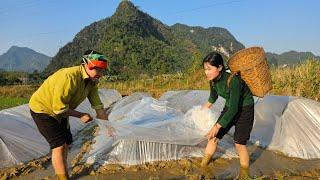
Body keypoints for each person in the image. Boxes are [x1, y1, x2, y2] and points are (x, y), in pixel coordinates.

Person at [29, 50, 111, 180]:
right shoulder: (69, 77)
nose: (100, 74)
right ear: (86, 65)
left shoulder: (92, 81)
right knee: (59, 145)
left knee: (67, 142)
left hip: (62, 111)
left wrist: (108, 127)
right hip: (43, 109)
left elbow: (98, 107)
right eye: (98, 70)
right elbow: (58, 108)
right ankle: (63, 178)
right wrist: (80, 115)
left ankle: (62, 168)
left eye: (103, 71)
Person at [201, 52, 254, 179]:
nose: (206, 72)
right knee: (213, 137)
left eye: (209, 69)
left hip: (244, 108)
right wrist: (201, 111)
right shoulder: (213, 80)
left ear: (219, 67)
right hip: (230, 106)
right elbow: (213, 97)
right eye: (205, 69)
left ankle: (245, 175)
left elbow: (235, 108)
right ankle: (203, 165)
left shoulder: (233, 79)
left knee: (239, 144)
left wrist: (217, 125)